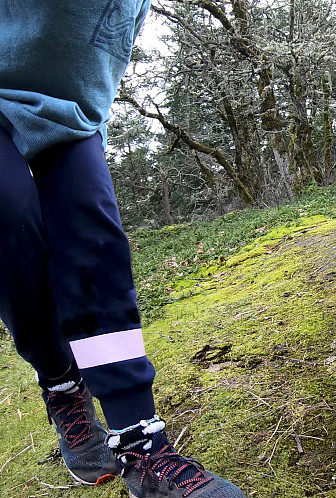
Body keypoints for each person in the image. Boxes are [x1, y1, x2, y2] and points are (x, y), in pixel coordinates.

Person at [0, 1, 244, 496]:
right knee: (8, 212)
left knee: (93, 234)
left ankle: (139, 442)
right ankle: (62, 382)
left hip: (70, 108)